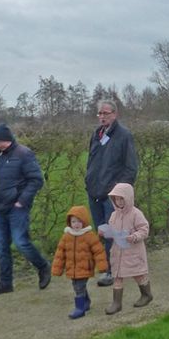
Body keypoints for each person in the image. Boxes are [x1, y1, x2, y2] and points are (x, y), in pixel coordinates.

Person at [0, 123, 51, 296]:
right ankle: (5, 283)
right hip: (0, 208)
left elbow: (36, 180)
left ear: (7, 140)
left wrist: (22, 200)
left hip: (17, 208)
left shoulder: (24, 154)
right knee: (1, 247)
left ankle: (43, 267)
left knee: (21, 242)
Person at [85, 99, 139, 287]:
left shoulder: (124, 135)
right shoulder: (97, 134)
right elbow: (92, 161)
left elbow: (131, 167)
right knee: (103, 231)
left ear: (114, 114)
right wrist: (89, 181)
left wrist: (119, 192)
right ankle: (111, 265)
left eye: (106, 113)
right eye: (99, 113)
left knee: (114, 232)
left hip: (112, 194)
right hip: (94, 191)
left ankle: (113, 270)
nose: (102, 117)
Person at [100, 183, 152, 314]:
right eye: (116, 199)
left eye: (122, 198)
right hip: (118, 251)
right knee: (117, 276)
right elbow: (112, 230)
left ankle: (146, 294)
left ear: (128, 198)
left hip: (133, 251)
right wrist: (106, 232)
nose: (119, 202)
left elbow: (144, 229)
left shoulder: (136, 214)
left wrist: (134, 236)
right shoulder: (114, 215)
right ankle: (117, 303)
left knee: (138, 274)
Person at [51, 206, 108, 319]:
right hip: (71, 268)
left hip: (84, 267)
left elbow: (99, 251)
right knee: (76, 285)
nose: (76, 224)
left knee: (79, 287)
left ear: (84, 222)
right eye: (73, 221)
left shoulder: (89, 236)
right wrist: (57, 269)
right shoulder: (67, 236)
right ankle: (86, 301)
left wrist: (102, 266)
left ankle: (80, 308)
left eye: (79, 221)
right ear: (69, 222)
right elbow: (60, 253)